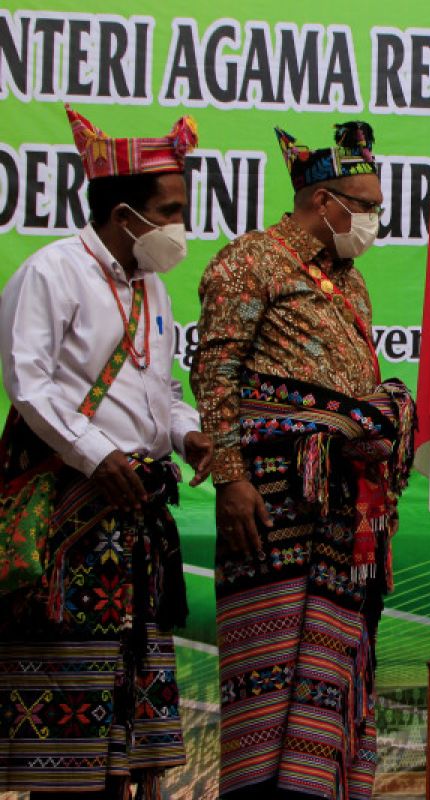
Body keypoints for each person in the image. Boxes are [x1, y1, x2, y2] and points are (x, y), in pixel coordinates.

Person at [191, 121, 415, 799]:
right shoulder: (248, 262)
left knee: (332, 678)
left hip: (344, 510)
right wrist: (229, 482)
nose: (375, 219)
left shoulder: (351, 281)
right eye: (366, 204)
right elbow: (217, 374)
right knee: (272, 673)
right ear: (324, 202)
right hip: (272, 498)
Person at [0, 107, 212, 798]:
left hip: (137, 513)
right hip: (75, 511)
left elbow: (162, 389)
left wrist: (188, 433)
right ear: (125, 214)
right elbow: (28, 383)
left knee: (131, 713)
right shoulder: (52, 272)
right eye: (172, 210)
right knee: (71, 706)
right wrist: (97, 456)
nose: (182, 225)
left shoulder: (153, 285)